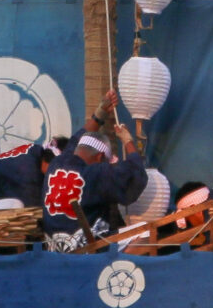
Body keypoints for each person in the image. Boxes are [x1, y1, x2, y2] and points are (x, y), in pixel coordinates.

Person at [39, 95, 148, 251]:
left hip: (54, 248)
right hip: (86, 249)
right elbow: (135, 175)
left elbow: (77, 138)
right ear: (100, 157)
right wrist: (128, 141)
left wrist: (100, 114)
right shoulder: (96, 173)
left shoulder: (57, 163)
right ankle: (113, 271)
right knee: (145, 232)